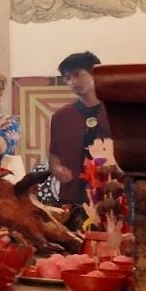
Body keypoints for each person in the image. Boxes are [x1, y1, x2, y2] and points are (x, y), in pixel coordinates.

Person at [48, 51, 112, 220]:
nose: (73, 82)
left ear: (95, 73)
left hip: (113, 196)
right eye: (68, 78)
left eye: (77, 75)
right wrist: (57, 169)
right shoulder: (61, 116)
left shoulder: (116, 111)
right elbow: (54, 153)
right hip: (73, 197)